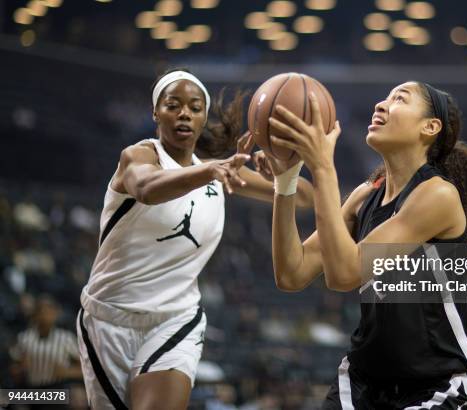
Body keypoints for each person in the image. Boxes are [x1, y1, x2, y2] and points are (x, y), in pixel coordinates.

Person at [76, 68, 312, 410]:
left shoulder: (219, 171)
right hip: (109, 319)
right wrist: (209, 170)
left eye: (195, 106)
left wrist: (281, 169)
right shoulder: (140, 156)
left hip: (176, 319)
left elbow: (303, 196)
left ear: (202, 117)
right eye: (173, 105)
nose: (184, 112)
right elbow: (146, 188)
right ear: (156, 113)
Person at [266, 82, 467, 409]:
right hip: (363, 381)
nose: (380, 105)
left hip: (432, 386)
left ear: (430, 127)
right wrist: (284, 182)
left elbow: (344, 274)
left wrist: (323, 166)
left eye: (399, 99)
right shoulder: (365, 196)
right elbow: (291, 273)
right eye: (384, 97)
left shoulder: (437, 196)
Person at [10, 294, 82, 406]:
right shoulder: (24, 338)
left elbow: (85, 368)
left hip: (57, 389)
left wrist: (68, 372)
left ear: (56, 314)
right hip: (31, 389)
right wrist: (19, 369)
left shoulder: (65, 338)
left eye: (49, 311)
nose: (45, 315)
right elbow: (14, 368)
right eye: (41, 311)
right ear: (35, 315)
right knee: (8, 397)